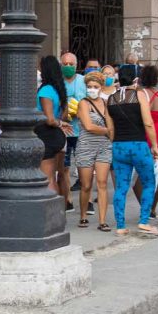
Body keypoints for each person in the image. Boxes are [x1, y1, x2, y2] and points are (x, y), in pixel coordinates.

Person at [106, 68, 158, 236]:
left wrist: (116, 142)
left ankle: (120, 225)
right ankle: (144, 221)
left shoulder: (110, 99)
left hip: (118, 147)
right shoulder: (140, 95)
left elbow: (110, 128)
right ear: (135, 80)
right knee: (149, 182)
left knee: (121, 187)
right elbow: (148, 123)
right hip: (139, 146)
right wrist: (155, 145)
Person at [133, 65, 158, 219]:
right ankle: (153, 208)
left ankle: (146, 206)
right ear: (157, 79)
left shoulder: (140, 94)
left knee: (141, 175)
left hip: (147, 134)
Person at [75, 71, 112, 231]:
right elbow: (88, 126)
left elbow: (112, 124)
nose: (92, 89)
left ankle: (102, 220)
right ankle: (83, 215)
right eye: (89, 86)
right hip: (86, 146)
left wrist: (110, 133)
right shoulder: (83, 103)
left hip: (104, 146)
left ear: (101, 87)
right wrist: (107, 131)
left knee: (102, 183)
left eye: (95, 87)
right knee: (86, 184)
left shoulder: (106, 103)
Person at [36, 55, 74, 194]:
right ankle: (61, 209)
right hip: (58, 136)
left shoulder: (46, 90)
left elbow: (49, 119)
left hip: (47, 135)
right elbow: (64, 114)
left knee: (48, 178)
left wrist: (58, 123)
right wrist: (61, 122)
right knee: (60, 175)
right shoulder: (59, 89)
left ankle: (52, 213)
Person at [61, 52, 87, 210]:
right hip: (64, 131)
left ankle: (87, 200)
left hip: (82, 130)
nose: (68, 67)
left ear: (77, 65)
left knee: (84, 166)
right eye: (65, 64)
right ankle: (68, 199)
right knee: (64, 167)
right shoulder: (58, 83)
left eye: (71, 64)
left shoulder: (83, 81)